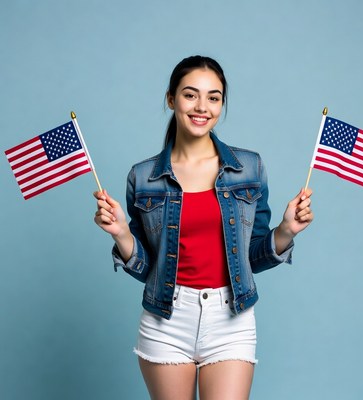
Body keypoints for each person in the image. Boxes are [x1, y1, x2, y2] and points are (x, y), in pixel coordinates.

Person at [94, 55, 313, 400]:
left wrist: (286, 231)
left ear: (222, 103)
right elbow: (148, 268)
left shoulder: (249, 167)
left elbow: (251, 257)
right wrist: (122, 234)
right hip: (166, 319)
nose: (202, 107)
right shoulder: (143, 176)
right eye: (190, 94)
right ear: (171, 99)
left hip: (231, 318)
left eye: (214, 97)